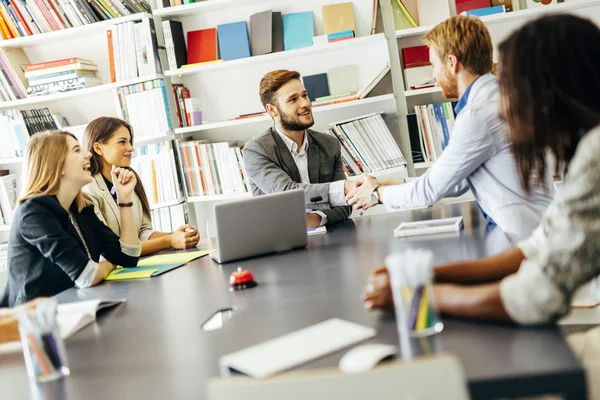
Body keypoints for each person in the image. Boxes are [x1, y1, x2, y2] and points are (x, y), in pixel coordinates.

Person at [363, 14, 600, 325]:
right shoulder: (585, 148)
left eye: (517, 85)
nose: (509, 103)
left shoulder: (593, 153)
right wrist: (427, 276)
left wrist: (419, 295)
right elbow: (537, 246)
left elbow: (535, 296)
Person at [346, 16, 553, 240]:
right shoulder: (498, 98)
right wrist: (381, 183)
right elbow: (453, 183)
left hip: (525, 239)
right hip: (532, 230)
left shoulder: (478, 116)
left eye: (433, 65)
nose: (433, 76)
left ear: (452, 63)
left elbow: (429, 191)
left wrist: (377, 195)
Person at [0, 131, 141, 307]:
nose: (88, 154)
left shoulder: (80, 209)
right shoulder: (33, 212)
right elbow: (88, 277)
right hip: (32, 323)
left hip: (71, 309)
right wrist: (108, 265)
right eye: (76, 150)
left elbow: (129, 257)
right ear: (57, 165)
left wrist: (124, 199)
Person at [242, 69, 354, 228]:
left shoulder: (329, 144)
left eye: (305, 95)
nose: (305, 104)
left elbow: (345, 204)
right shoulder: (257, 150)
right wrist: (341, 189)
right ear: (272, 110)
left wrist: (316, 219)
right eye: (293, 99)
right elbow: (287, 193)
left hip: (330, 239)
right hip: (280, 242)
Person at [83, 117, 200, 256]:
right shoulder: (88, 189)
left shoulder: (129, 177)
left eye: (130, 142)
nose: (131, 148)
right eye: (122, 142)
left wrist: (179, 235)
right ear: (98, 148)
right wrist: (170, 241)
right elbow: (115, 248)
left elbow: (143, 232)